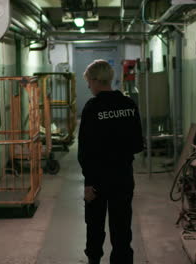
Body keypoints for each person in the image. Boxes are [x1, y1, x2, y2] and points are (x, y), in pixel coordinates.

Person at [78, 59, 144, 264]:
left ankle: (94, 260)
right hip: (123, 178)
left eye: (89, 81)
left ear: (97, 80)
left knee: (95, 227)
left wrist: (89, 183)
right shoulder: (129, 105)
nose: (88, 85)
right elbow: (138, 145)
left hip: (98, 181)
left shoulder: (92, 108)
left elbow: (85, 151)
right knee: (122, 228)